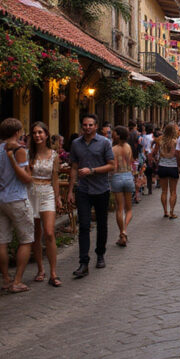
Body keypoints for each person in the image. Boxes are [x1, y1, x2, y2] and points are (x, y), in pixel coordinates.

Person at [68, 114, 115, 277]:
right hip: (83, 190)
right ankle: (83, 262)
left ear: (96, 127)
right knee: (84, 226)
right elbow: (74, 167)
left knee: (102, 224)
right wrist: (70, 190)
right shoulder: (75, 144)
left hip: (101, 189)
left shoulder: (104, 143)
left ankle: (100, 254)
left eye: (90, 125)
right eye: (84, 125)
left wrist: (92, 170)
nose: (87, 128)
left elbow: (111, 165)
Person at [0, 118, 34, 294]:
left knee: (1, 241)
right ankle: (17, 281)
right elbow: (25, 178)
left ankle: (6, 279)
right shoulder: (19, 150)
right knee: (26, 239)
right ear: (17, 132)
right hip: (16, 198)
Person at [28, 121, 62, 287]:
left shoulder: (54, 155)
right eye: (34, 133)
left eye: (40, 132)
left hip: (47, 192)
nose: (37, 135)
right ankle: (40, 269)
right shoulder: (28, 154)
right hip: (31, 193)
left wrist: (58, 197)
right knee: (36, 233)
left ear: (46, 135)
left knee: (49, 232)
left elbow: (55, 178)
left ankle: (53, 272)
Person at [110, 126, 135, 247]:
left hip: (117, 177)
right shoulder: (128, 147)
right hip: (128, 176)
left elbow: (113, 167)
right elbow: (130, 161)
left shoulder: (113, 149)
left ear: (118, 135)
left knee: (119, 208)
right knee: (129, 209)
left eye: (114, 133)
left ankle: (122, 233)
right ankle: (124, 230)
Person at [155, 123, 180, 218]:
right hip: (173, 166)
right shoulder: (176, 141)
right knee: (173, 191)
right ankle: (171, 212)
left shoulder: (160, 140)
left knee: (164, 191)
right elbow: (178, 155)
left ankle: (165, 211)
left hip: (162, 166)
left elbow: (154, 152)